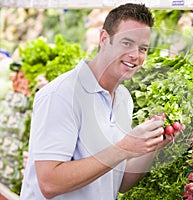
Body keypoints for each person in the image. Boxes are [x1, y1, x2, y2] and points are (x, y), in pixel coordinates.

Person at [20, 3, 177, 200]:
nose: (135, 55)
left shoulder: (123, 99)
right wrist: (125, 147)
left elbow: (120, 183)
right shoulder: (61, 95)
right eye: (127, 43)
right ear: (104, 39)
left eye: (143, 48)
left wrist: (150, 147)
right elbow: (49, 183)